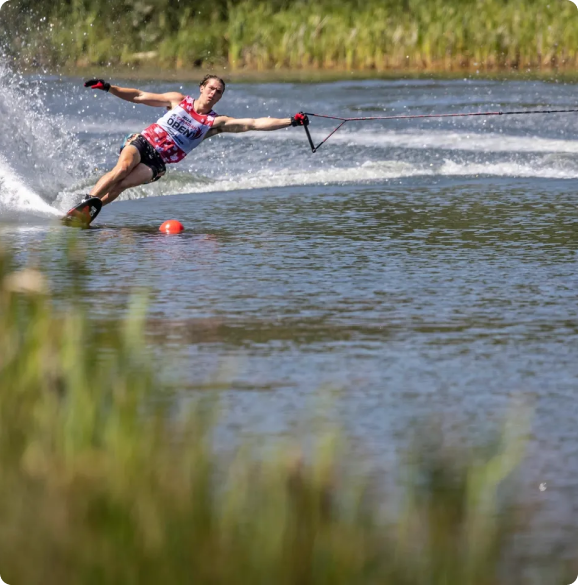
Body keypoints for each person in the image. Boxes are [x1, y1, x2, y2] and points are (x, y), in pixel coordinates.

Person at [82, 75, 309, 205]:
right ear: (202, 88)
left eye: (218, 91)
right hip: (144, 142)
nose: (213, 93)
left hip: (158, 162)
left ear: (220, 96)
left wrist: (291, 121)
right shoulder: (178, 101)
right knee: (121, 169)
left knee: (123, 184)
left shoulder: (215, 122)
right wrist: (110, 88)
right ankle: (87, 200)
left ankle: (91, 210)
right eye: (210, 88)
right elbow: (140, 96)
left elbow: (254, 123)